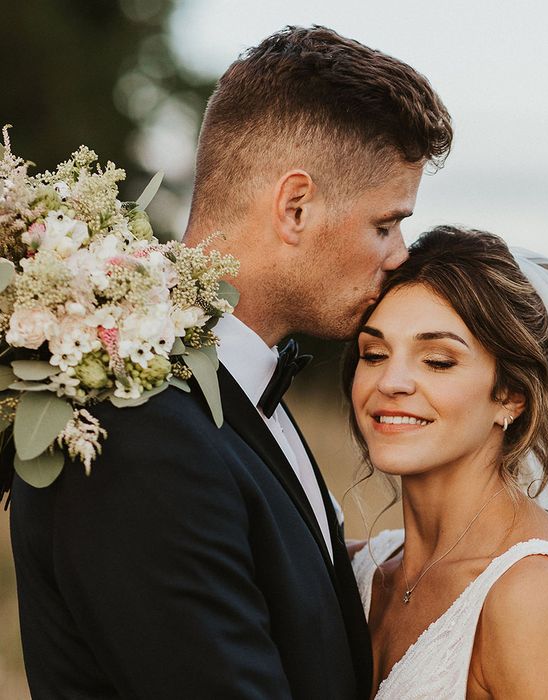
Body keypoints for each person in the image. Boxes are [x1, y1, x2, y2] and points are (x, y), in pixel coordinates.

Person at [10, 26, 451, 699]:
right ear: (295, 207)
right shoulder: (138, 433)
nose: (398, 255)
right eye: (385, 224)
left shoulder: (236, 395)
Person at [344, 226, 548, 698]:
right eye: (374, 353)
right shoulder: (364, 570)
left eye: (437, 361)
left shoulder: (532, 594)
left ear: (510, 396)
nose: (391, 381)